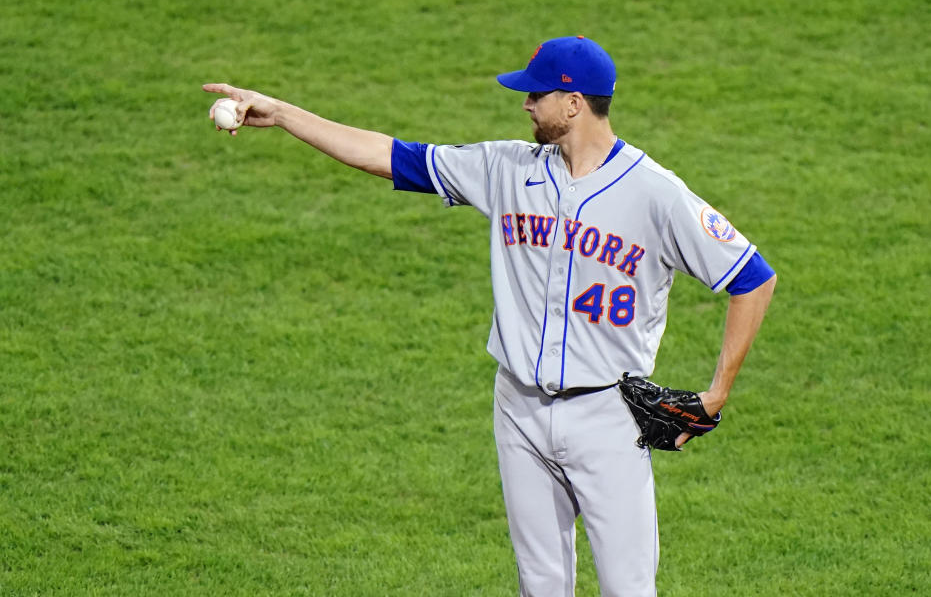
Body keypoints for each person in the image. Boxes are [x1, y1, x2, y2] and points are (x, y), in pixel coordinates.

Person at [204, 35, 776, 596]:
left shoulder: (656, 194)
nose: (525, 103)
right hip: (518, 409)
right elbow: (387, 155)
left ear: (574, 105)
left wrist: (717, 392)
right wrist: (281, 114)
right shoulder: (506, 167)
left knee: (627, 588)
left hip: (608, 416)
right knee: (540, 585)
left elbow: (752, 277)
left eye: (537, 94)